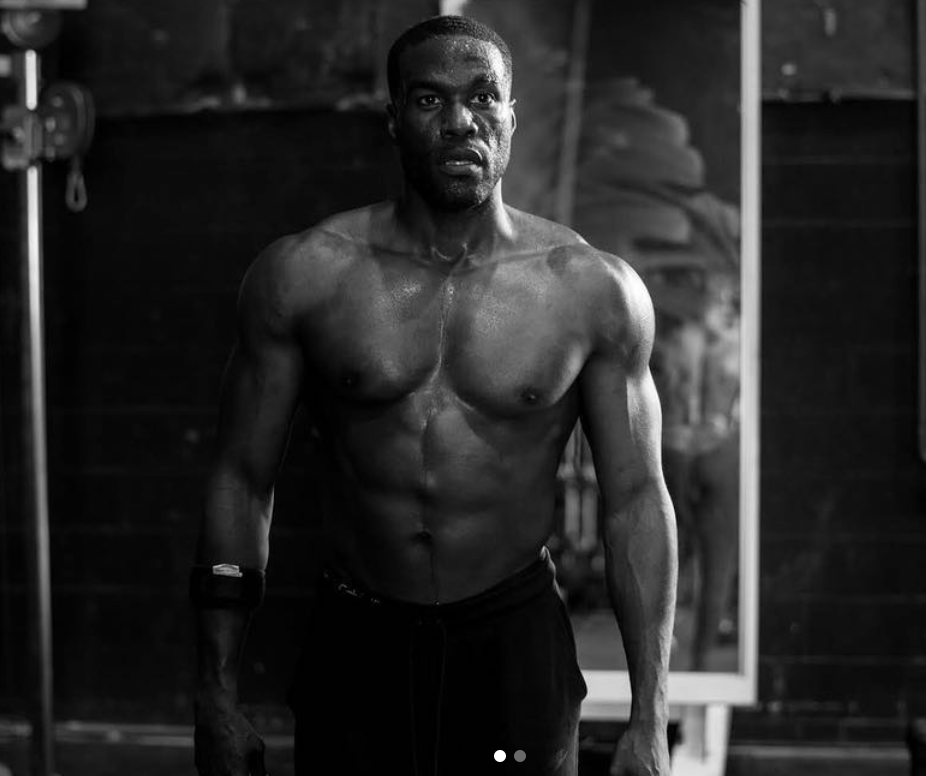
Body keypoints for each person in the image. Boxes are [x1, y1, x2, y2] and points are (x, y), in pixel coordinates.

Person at [191, 14, 676, 776]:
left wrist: (650, 718)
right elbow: (241, 479)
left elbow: (636, 500)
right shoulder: (305, 277)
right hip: (358, 642)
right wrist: (215, 693)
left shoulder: (591, 290)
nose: (460, 121)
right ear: (393, 119)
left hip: (511, 645)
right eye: (429, 100)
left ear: (511, 117)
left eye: (482, 97)